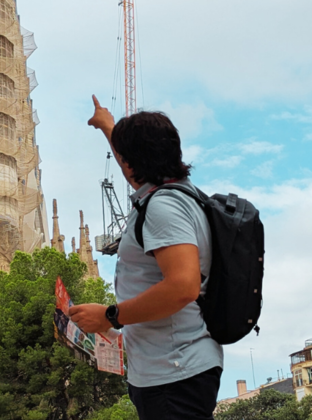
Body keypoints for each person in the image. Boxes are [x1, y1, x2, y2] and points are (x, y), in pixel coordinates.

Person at [69, 96, 222, 419]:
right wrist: (108, 126)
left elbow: (183, 286)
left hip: (174, 372)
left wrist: (109, 316)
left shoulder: (164, 208)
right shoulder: (178, 192)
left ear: (131, 163)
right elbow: (134, 164)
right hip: (171, 370)